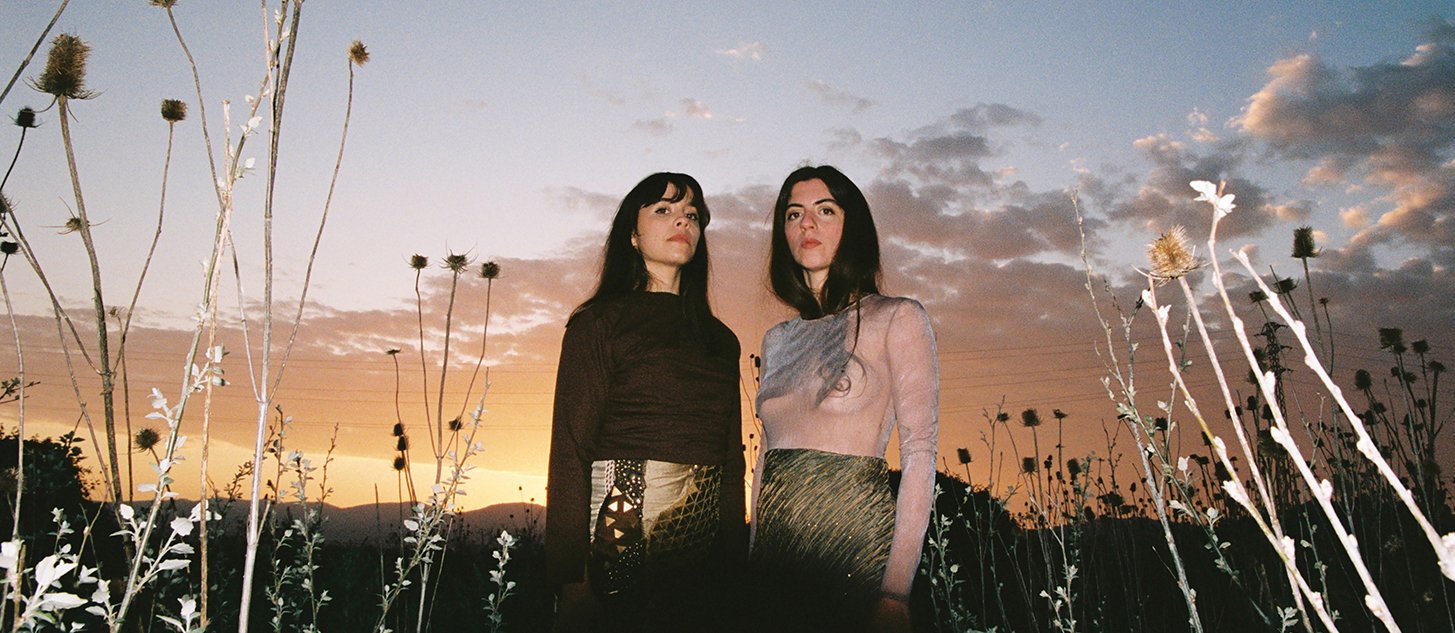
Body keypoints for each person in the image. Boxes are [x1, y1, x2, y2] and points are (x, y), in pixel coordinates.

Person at [546, 172, 746, 632]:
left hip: (702, 553)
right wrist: (571, 578)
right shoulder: (599, 323)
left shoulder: (721, 340)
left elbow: (731, 463)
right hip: (619, 534)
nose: (683, 221)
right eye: (663, 210)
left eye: (692, 214)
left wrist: (735, 568)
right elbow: (570, 448)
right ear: (632, 235)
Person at [749, 165, 938, 632]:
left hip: (855, 557)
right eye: (794, 214)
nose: (807, 224)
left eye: (825, 210)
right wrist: (752, 566)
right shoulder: (777, 340)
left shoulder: (897, 317)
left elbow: (919, 452)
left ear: (853, 226)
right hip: (775, 569)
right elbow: (765, 458)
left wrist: (895, 592)